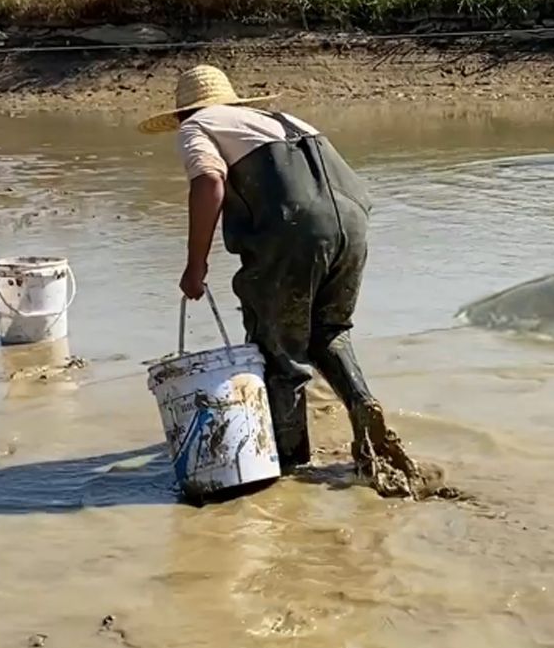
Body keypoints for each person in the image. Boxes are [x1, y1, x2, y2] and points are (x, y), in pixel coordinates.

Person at [139, 65, 433, 497]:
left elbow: (208, 183)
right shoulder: (279, 119)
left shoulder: (198, 125)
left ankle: (290, 466)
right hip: (352, 220)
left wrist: (194, 265)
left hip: (295, 225)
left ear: (184, 113)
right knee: (328, 330)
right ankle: (362, 406)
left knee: (277, 348)